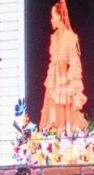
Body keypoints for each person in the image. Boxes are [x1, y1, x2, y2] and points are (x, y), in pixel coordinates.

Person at [39, 0, 87, 132]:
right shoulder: (54, 38)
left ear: (60, 17)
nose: (51, 19)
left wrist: (71, 85)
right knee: (53, 120)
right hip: (53, 85)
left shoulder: (69, 37)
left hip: (64, 85)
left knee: (67, 123)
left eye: (53, 16)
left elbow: (75, 64)